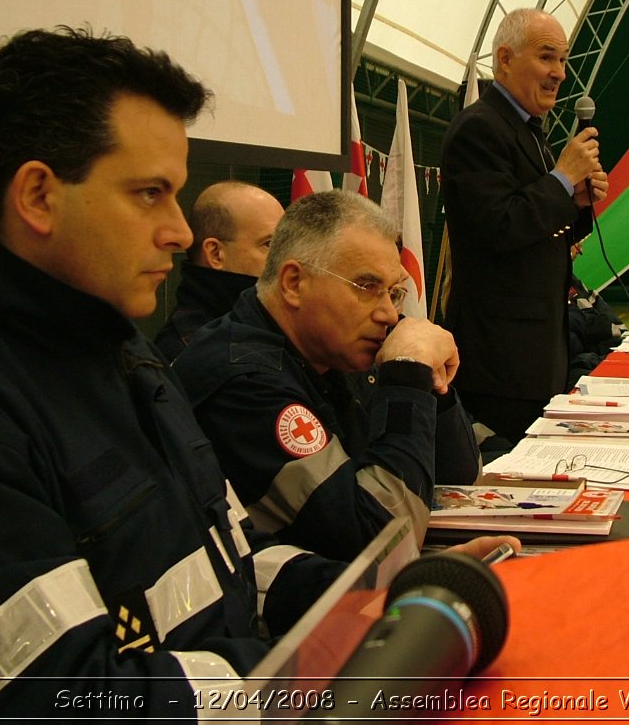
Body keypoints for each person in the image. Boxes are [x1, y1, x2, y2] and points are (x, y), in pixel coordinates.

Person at [0, 27, 510, 719]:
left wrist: (371, 596)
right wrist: (292, 672)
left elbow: (224, 563)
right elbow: (62, 705)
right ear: (39, 196)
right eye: (149, 194)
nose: (176, 230)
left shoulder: (120, 358)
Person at [173, 189, 482, 561]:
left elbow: (459, 479)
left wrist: (430, 384)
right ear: (293, 283)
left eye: (394, 293)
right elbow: (381, 542)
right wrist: (405, 377)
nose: (387, 314)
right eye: (367, 288)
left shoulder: (332, 347)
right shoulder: (243, 380)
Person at [439, 7, 609, 442]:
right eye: (547, 57)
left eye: (564, 60)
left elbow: (543, 236)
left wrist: (576, 202)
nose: (560, 73)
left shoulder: (532, 131)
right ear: (505, 58)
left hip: (538, 354)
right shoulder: (479, 130)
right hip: (499, 362)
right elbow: (499, 227)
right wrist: (561, 179)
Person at [155, 179, 284, 360]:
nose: (287, 258)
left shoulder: (260, 321)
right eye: (269, 244)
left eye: (285, 244)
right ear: (215, 254)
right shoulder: (190, 350)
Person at [566, 242, 627, 389]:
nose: (580, 250)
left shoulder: (573, 281)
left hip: (599, 355)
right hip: (577, 368)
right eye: (576, 244)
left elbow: (617, 327)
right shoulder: (548, 285)